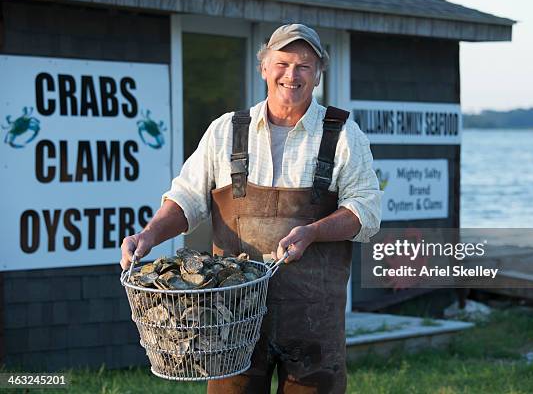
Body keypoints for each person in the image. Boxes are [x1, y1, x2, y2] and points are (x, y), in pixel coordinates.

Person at [120, 23, 381, 393]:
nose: (291, 75)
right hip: (230, 321)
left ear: (319, 74)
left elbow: (366, 212)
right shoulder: (225, 130)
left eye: (304, 66)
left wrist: (313, 232)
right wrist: (148, 235)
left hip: (313, 322)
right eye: (282, 63)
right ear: (263, 67)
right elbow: (186, 199)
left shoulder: (342, 135)